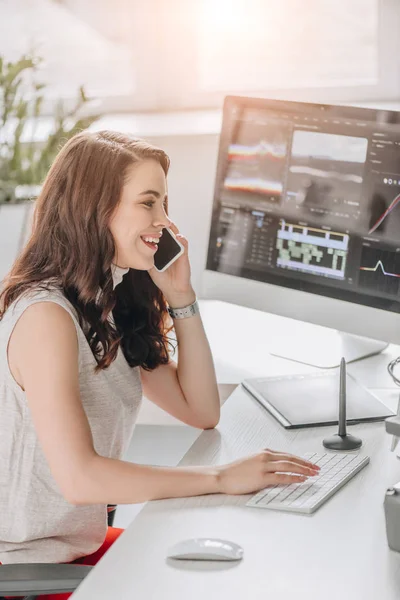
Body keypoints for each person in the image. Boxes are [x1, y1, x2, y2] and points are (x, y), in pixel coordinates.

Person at [0, 131, 319, 593]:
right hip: (29, 568)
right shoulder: (45, 316)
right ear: (94, 209)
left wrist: (181, 297)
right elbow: (80, 479)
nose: (164, 221)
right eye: (148, 204)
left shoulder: (107, 302)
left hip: (73, 548)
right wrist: (221, 477)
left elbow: (202, 411)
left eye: (164, 204)